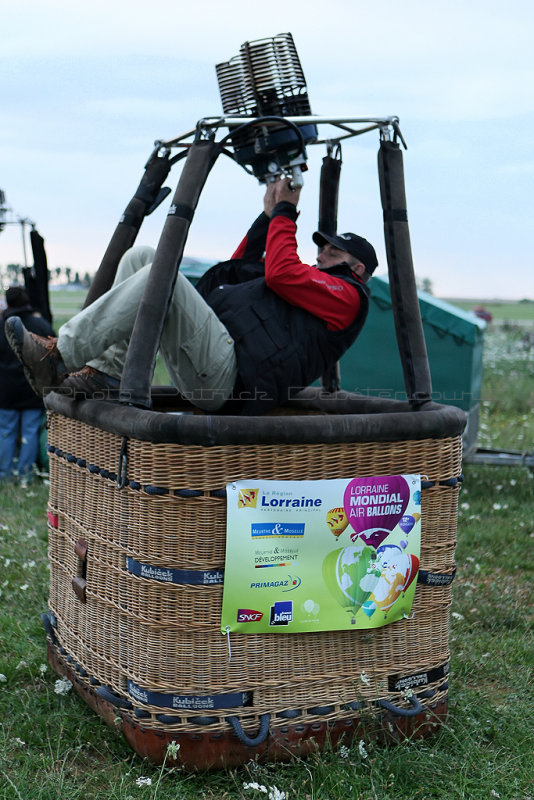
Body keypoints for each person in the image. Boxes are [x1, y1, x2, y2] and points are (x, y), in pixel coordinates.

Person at [5, 177, 378, 415]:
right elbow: (239, 269)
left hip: (232, 381)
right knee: (143, 257)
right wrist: (269, 217)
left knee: (160, 275)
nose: (322, 254)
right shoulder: (313, 286)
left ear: (357, 268)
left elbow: (280, 272)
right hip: (218, 359)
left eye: (333, 252)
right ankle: (108, 375)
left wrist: (286, 212)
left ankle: (59, 357)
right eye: (324, 247)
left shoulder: (347, 296)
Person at [0, 286, 55, 482]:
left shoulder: (1, 324)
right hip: (32, 388)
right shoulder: (40, 324)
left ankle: (5, 475)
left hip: (5, 390)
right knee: (30, 432)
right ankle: (25, 474)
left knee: (6, 432)